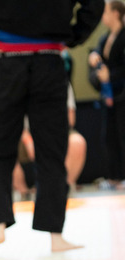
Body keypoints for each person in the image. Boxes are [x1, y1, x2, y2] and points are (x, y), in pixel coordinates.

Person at [0, 0, 103, 254]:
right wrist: (74, 35)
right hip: (49, 61)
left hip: (8, 62)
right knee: (52, 150)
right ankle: (56, 235)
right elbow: (94, 5)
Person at [13, 84, 87, 199]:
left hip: (54, 133)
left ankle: (60, 190)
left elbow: (70, 120)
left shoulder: (61, 82)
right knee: (3, 145)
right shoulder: (21, 82)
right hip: (24, 134)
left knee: (76, 142)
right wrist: (28, 140)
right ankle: (24, 194)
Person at [89, 0, 125, 190]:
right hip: (108, 95)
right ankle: (113, 177)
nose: (103, 17)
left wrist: (111, 75)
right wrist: (94, 56)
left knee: (122, 134)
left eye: (105, 12)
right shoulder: (105, 38)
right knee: (109, 136)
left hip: (122, 93)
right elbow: (97, 55)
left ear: (116, 13)